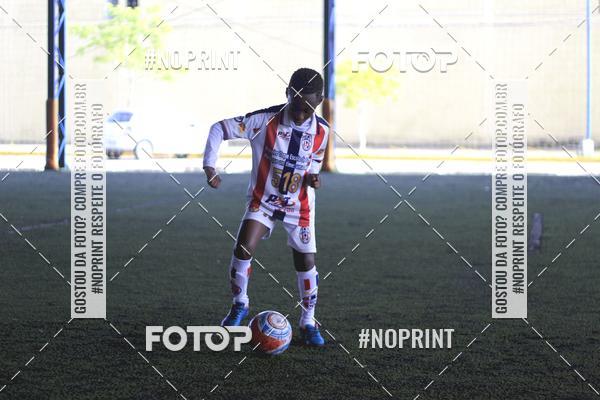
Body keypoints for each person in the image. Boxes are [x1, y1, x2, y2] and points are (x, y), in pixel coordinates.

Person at [202, 68, 329, 346]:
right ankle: (240, 304)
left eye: (307, 109)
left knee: (306, 261)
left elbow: (314, 162)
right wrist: (210, 165)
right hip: (263, 201)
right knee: (244, 246)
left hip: (299, 207)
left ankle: (308, 321)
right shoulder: (263, 120)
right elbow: (219, 128)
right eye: (296, 106)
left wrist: (313, 177)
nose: (300, 114)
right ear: (288, 94)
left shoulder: (322, 131)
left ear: (319, 101)